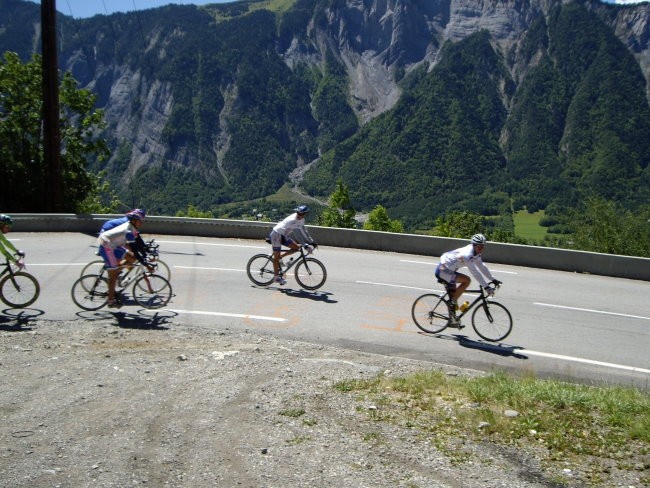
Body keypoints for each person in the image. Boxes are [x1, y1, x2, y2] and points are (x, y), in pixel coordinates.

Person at [435, 233, 502, 325]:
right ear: (474, 245)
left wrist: (493, 279)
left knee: (454, 300)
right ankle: (452, 305)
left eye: (483, 247)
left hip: (450, 270)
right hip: (443, 271)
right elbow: (475, 272)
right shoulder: (467, 254)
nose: (481, 249)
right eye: (479, 247)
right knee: (467, 281)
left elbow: (481, 266)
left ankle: (452, 320)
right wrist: (486, 287)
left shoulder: (476, 252)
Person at [97, 211, 149, 308]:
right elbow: (135, 250)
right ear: (134, 220)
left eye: (143, 221)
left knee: (131, 258)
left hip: (113, 244)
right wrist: (146, 264)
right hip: (107, 246)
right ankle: (111, 302)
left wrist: (146, 252)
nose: (142, 223)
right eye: (140, 221)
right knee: (113, 277)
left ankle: (116, 272)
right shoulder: (129, 231)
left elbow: (139, 244)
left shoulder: (132, 228)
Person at [268, 205, 317, 285]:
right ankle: (276, 277)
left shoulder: (301, 220)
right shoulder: (292, 220)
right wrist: (305, 245)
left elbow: (304, 232)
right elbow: (298, 235)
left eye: (302, 214)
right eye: (299, 214)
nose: (300, 216)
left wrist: (312, 242)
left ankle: (280, 257)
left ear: (305, 214)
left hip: (283, 236)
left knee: (296, 248)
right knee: (276, 258)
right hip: (276, 235)